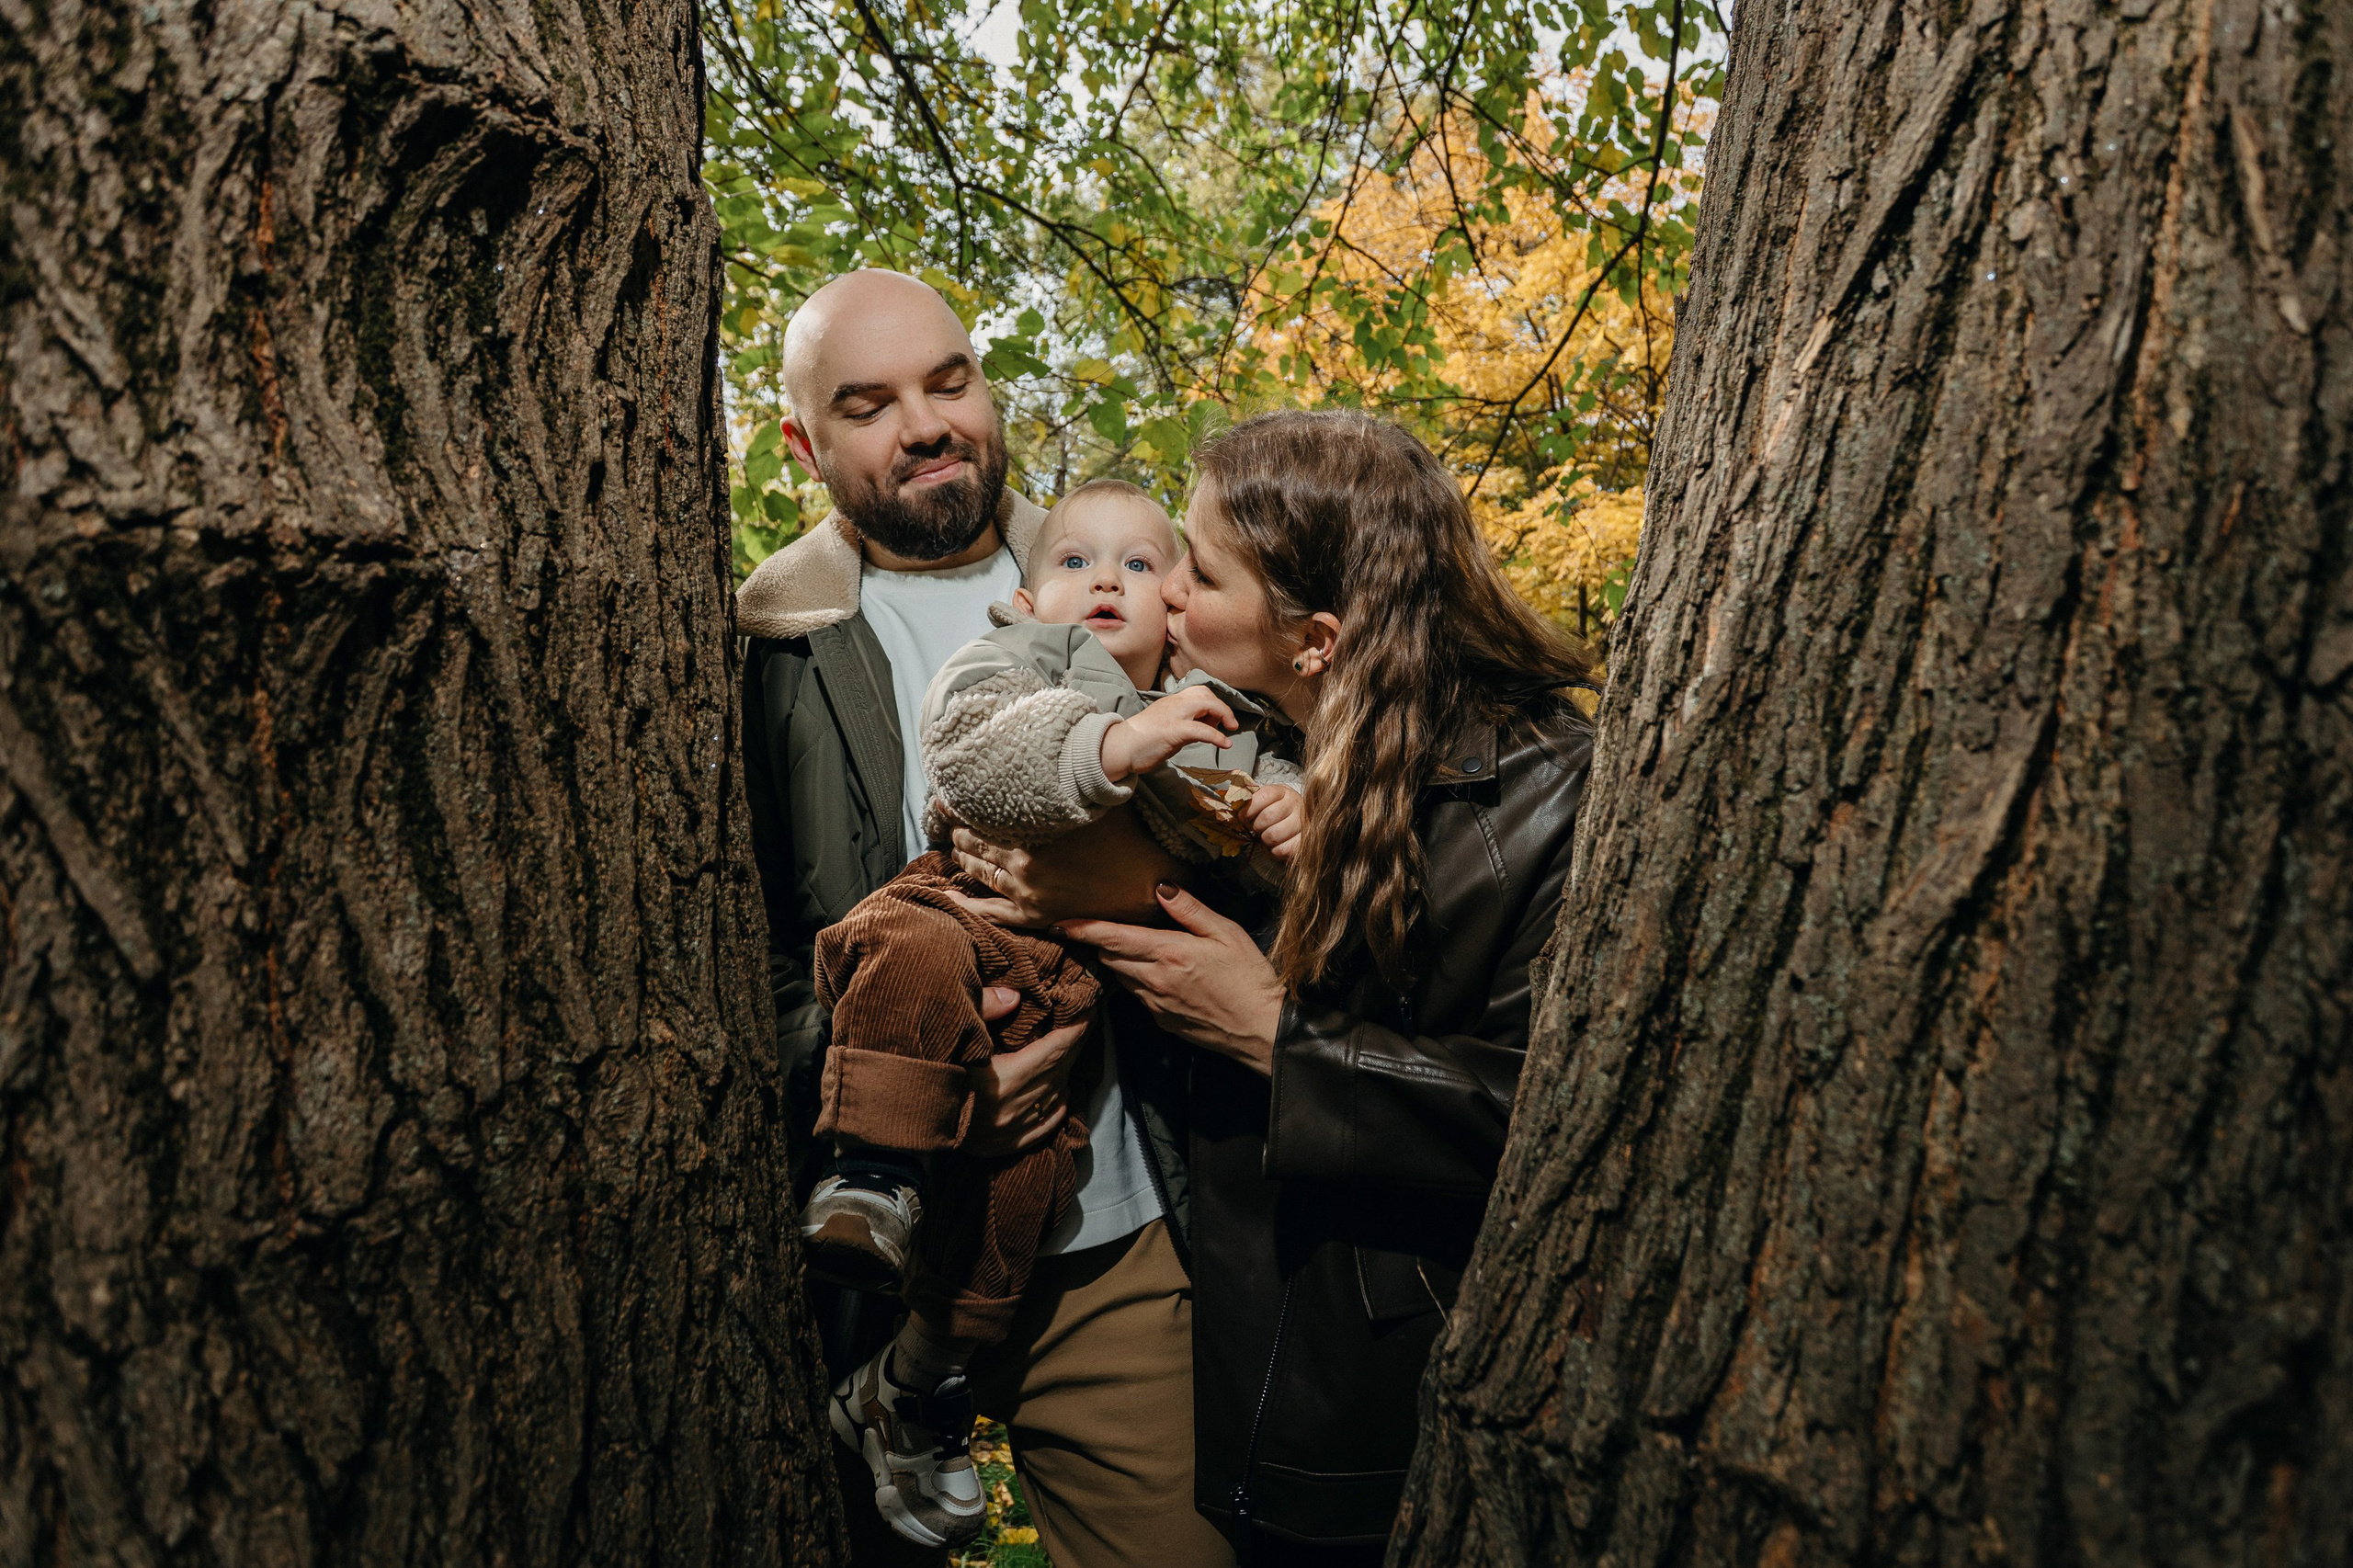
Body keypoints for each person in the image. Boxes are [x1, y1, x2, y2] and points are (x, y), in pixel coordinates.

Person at [954, 410, 1597, 1563]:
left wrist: (1273, 1034)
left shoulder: (1545, 797)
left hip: (1388, 1417)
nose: (1164, 595)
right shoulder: (1258, 744)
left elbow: (1554, 1127)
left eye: (1197, 572)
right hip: (1232, 1364)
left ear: (1312, 637)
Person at [736, 269, 1231, 1568]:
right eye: (869, 403)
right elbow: (734, 960)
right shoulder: (769, 649)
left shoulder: (1134, 580)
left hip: (1114, 1237)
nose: (926, 422)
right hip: (874, 1266)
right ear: (805, 441)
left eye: (948, 381)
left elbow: (1245, 823)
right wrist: (913, 1080)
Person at [809, 481, 1303, 1548]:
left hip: (1069, 1016)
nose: (1104, 584)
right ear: (1031, 598)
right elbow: (984, 761)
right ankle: (874, 1173)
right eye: (1075, 561)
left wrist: (1286, 812)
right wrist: (1121, 749)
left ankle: (911, 1385)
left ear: (1178, 603)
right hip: (958, 916)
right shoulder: (1016, 657)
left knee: (1023, 1181)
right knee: (904, 956)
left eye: (1138, 565)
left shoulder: (1206, 701)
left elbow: (1249, 832)